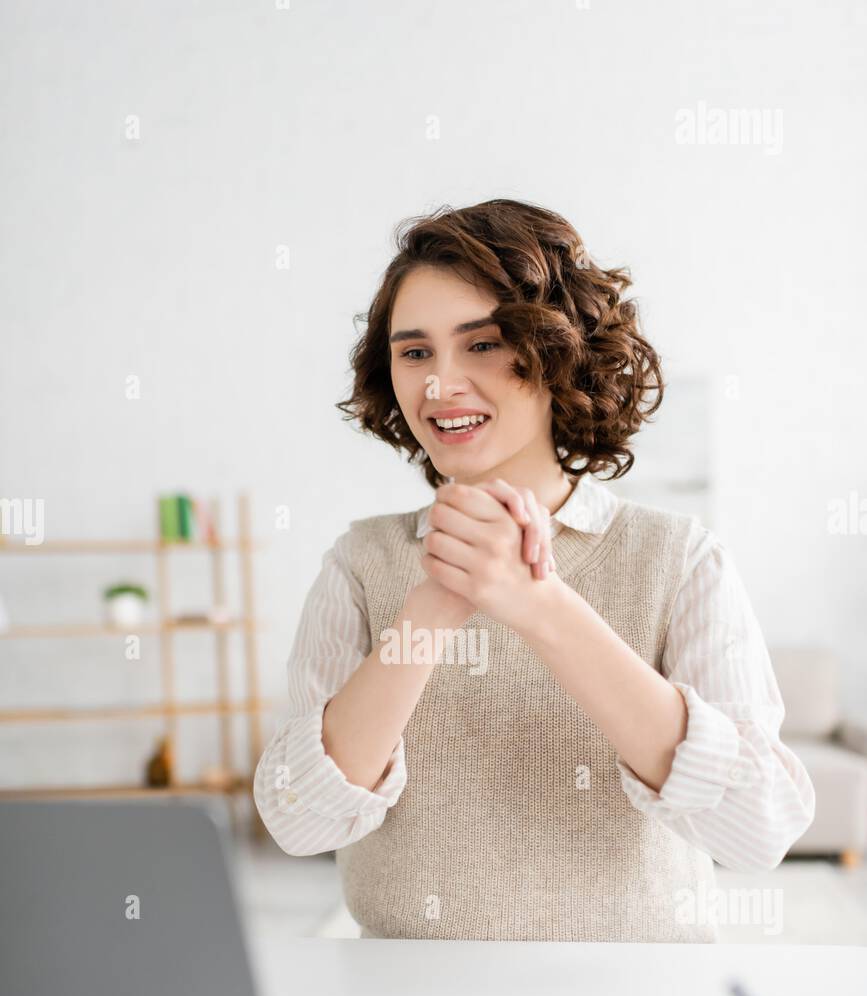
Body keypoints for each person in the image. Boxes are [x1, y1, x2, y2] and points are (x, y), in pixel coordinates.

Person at [254, 198, 814, 942]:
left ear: (557, 351)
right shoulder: (361, 564)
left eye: (481, 344)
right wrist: (434, 604)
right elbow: (298, 821)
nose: (438, 384)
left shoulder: (678, 559)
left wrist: (540, 607)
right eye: (414, 351)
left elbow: (757, 831)